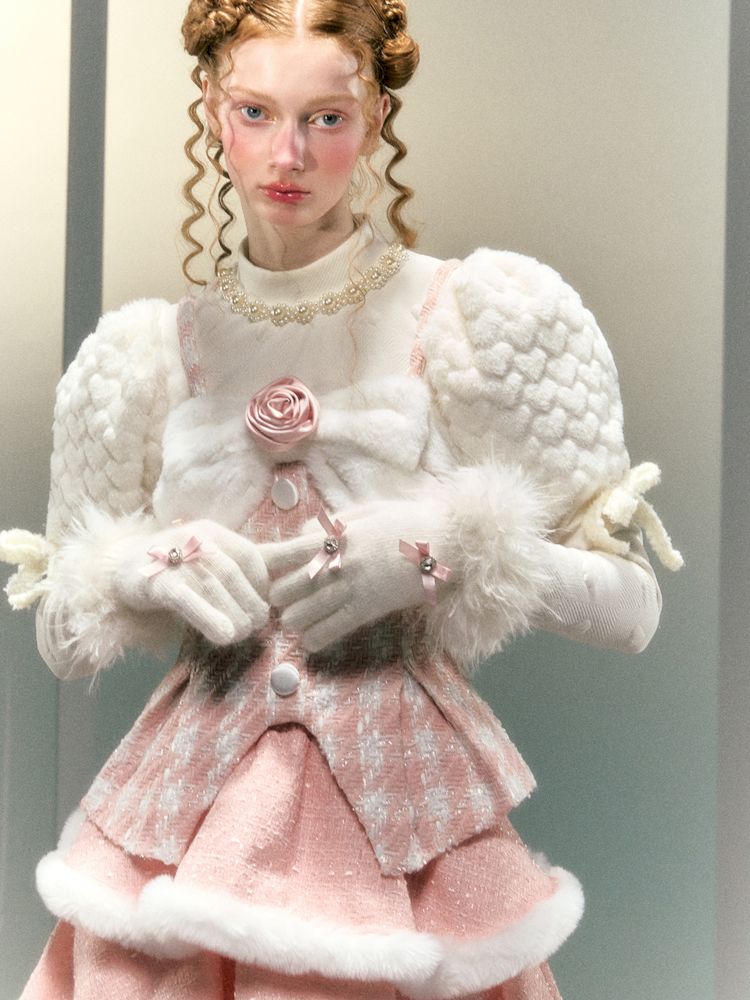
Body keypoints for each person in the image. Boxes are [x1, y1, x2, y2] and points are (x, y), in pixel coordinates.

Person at [0, 1, 683, 997]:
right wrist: (145, 569)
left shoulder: (476, 316)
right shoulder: (144, 355)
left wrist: (440, 549)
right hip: (184, 833)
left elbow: (633, 608)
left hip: (401, 838)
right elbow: (61, 640)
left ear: (375, 118)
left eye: (326, 118)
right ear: (212, 106)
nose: (289, 154)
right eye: (256, 112)